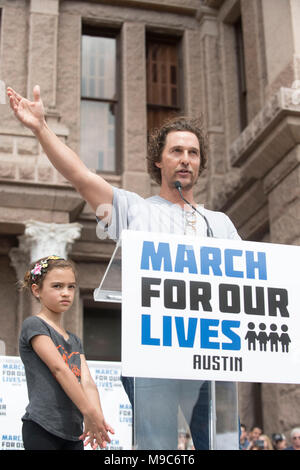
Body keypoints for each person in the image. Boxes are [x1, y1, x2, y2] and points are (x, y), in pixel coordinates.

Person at [8, 85, 240, 449]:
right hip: (152, 359)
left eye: (193, 153)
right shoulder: (134, 211)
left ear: (201, 163)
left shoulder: (222, 225)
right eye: (176, 151)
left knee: (222, 445)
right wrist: (40, 128)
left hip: (211, 360)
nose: (185, 159)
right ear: (158, 161)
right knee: (157, 450)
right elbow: (82, 177)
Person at [19, 255, 114, 450]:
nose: (66, 293)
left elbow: (87, 382)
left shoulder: (74, 339)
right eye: (57, 286)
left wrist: (96, 418)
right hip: (42, 427)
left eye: (71, 286)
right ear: (37, 290)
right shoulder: (34, 325)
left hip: (74, 431)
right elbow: (59, 369)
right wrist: (88, 411)